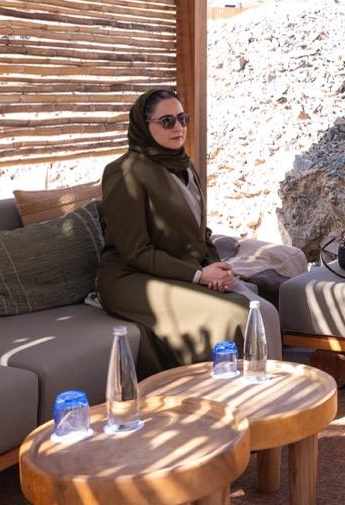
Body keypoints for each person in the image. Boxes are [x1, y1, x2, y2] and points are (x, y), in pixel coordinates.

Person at [97, 88, 281, 373]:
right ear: (144, 126)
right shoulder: (124, 172)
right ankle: (218, 391)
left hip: (177, 269)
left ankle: (257, 388)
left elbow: (200, 232)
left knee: (255, 307)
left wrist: (214, 267)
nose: (179, 127)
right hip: (130, 279)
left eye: (183, 118)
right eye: (167, 121)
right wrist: (198, 275)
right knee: (234, 313)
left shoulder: (184, 165)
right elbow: (135, 251)